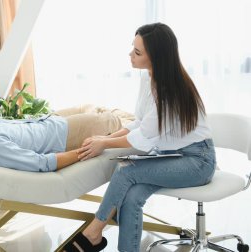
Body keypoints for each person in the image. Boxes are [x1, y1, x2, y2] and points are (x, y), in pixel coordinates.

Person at [64, 23, 216, 252]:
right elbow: (140, 123)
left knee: (126, 172)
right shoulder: (149, 78)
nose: (130, 55)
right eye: (132, 49)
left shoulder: (169, 91)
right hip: (171, 156)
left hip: (197, 161)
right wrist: (105, 138)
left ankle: (94, 231)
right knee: (132, 196)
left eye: (137, 52)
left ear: (156, 57)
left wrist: (104, 143)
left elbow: (144, 138)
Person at [0, 77, 133, 172]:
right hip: (65, 136)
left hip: (49, 121)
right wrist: (86, 150)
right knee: (119, 121)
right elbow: (41, 163)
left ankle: (119, 117)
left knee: (91, 106)